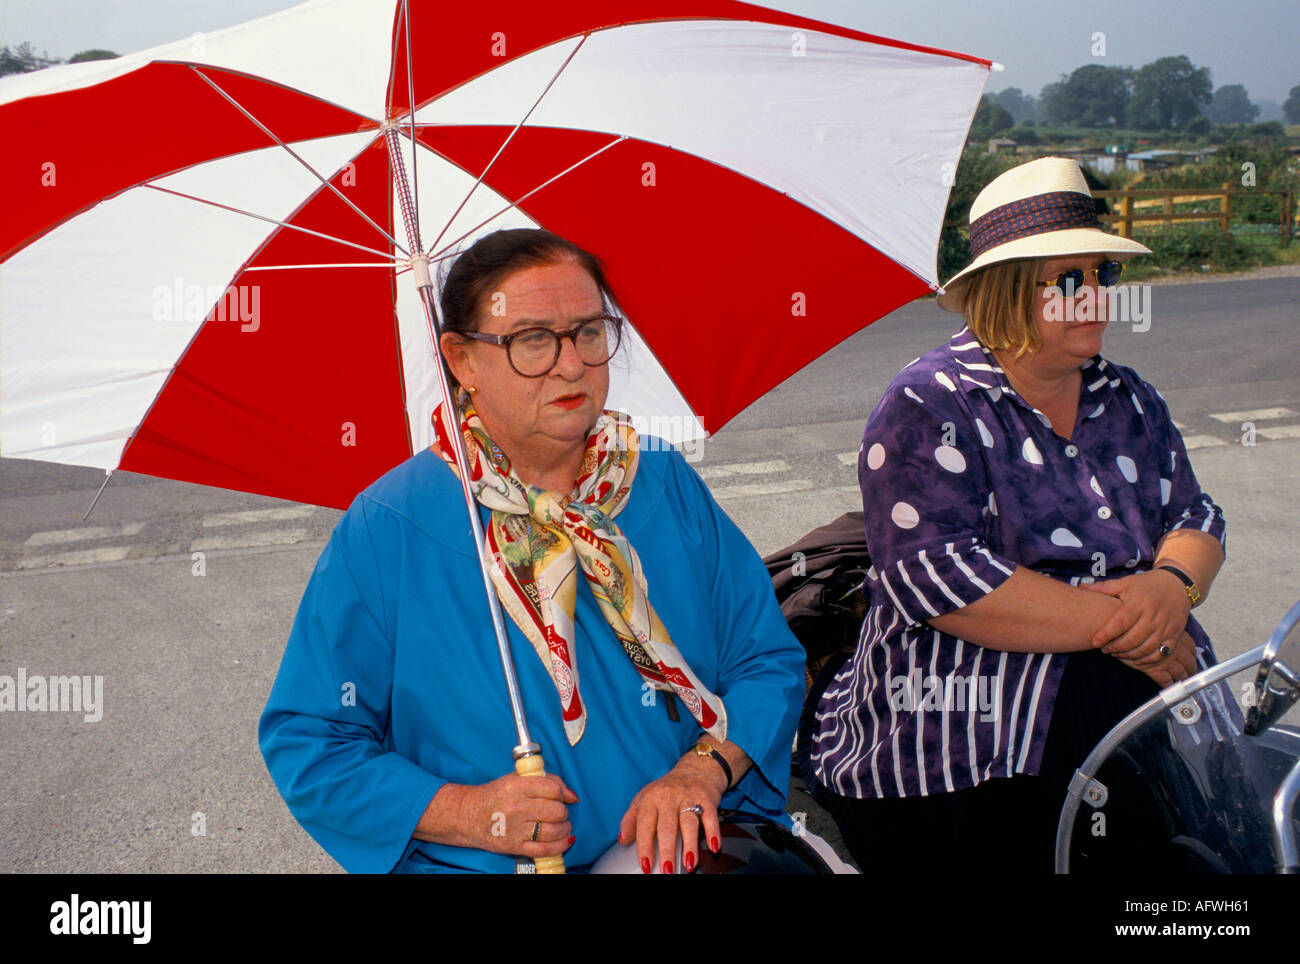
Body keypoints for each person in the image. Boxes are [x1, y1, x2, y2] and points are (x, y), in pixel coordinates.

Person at [259, 228, 805, 874]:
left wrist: (701, 771)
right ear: (461, 361)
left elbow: (766, 660)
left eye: (589, 332)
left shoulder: (660, 481)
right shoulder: (391, 526)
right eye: (533, 341)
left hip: (682, 855)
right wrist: (467, 811)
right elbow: (310, 742)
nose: (572, 365)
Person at [800, 157, 1231, 873]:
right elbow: (938, 580)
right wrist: (1134, 630)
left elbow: (1196, 515)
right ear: (1003, 291)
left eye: (1103, 277)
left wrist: (1170, 590)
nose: (1095, 298)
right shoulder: (928, 404)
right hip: (954, 731)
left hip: (1133, 688)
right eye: (1070, 281)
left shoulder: (1127, 397)